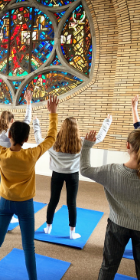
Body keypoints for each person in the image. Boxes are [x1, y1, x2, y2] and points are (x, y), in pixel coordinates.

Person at [0, 91, 59, 280]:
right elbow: (51, 137)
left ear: (9, 135)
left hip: (5, 202)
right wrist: (53, 113)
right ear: (26, 139)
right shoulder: (31, 154)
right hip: (25, 204)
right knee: (28, 246)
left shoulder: (1, 153)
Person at [34, 114, 112, 239]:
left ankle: (48, 228)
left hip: (57, 174)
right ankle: (72, 233)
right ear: (76, 129)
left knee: (53, 200)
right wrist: (107, 121)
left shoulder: (53, 142)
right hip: (73, 175)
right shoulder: (82, 142)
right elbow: (100, 138)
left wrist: (36, 123)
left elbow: (38, 139)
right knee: (71, 203)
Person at [81, 129, 140, 280]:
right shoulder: (112, 170)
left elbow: (85, 170)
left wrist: (87, 146)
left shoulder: (111, 171)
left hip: (116, 226)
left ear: (128, 145)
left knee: (108, 267)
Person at [0, 82, 32, 222]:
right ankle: (9, 214)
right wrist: (28, 103)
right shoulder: (11, 132)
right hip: (11, 163)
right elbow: (27, 120)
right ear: (11, 120)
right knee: (9, 190)